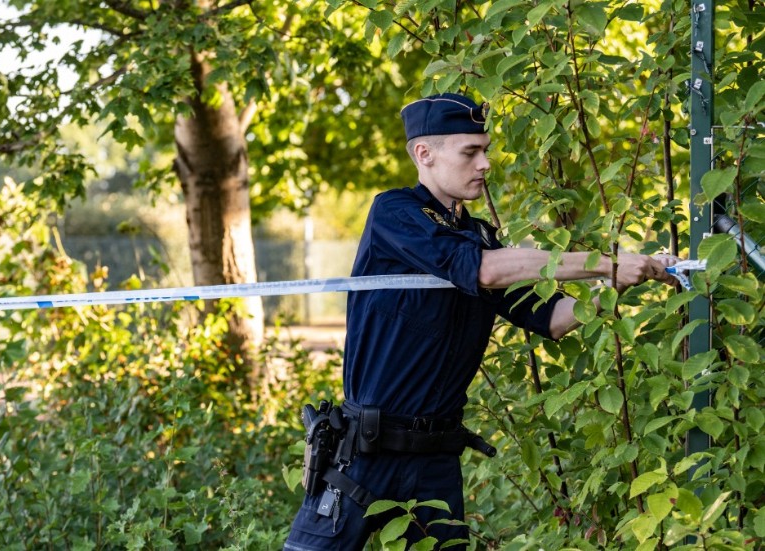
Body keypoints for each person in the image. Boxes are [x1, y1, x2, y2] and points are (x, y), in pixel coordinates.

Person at [283, 92, 679, 551]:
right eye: (470, 152)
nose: (485, 164)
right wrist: (603, 261)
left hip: (435, 460)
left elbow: (553, 318)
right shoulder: (396, 214)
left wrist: (619, 282)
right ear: (423, 154)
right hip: (365, 451)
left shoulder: (479, 237)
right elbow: (486, 270)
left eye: (485, 150)